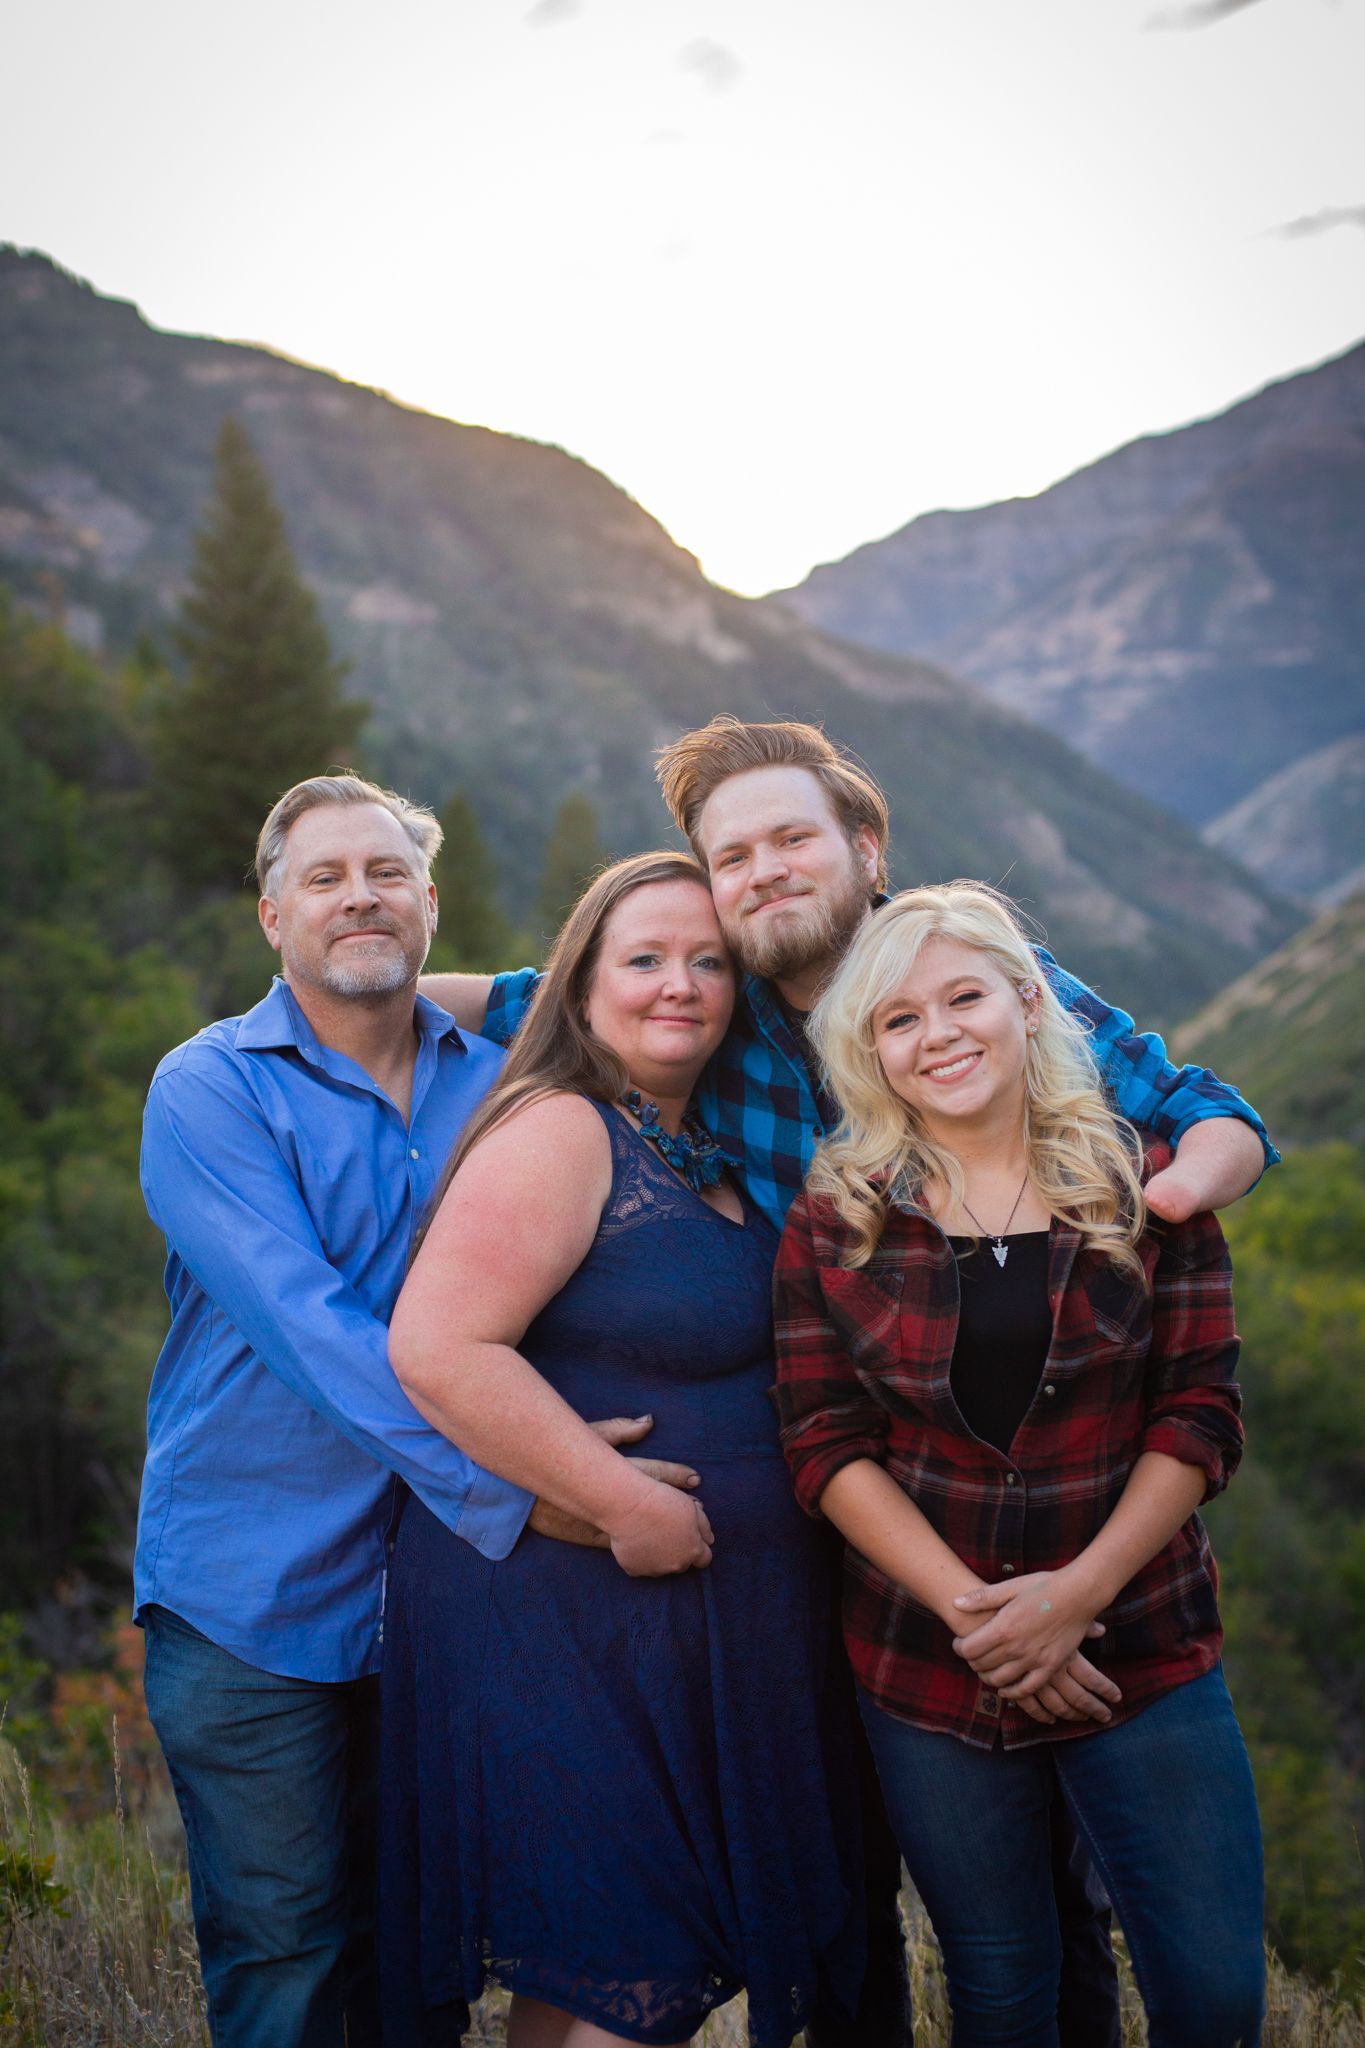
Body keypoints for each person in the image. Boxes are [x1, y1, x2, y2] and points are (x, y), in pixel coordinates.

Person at [421, 714, 1277, 2048]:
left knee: (1080, 1924)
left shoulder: (988, 981)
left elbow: (1200, 1106)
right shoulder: (710, 1002)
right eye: (730, 854)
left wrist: (1167, 1199)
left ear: (863, 848)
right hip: (852, 1568)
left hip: (1077, 1572)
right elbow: (536, 987)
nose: (759, 874)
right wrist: (345, 978)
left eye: (789, 840)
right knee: (870, 1908)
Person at [135, 775, 692, 2048]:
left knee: (427, 1958)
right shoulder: (209, 1089)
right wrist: (535, 1483)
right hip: (250, 1599)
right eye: (324, 877)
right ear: (273, 916)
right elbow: (317, 1335)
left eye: (386, 872)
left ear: (430, 905)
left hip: (452, 1599)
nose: (359, 897)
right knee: (288, 1953)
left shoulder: (509, 1084)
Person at [381, 851, 865, 2048]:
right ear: (579, 983)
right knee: (617, 1973)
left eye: (709, 961)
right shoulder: (560, 1128)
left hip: (691, 1645)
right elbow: (439, 1344)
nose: (680, 984)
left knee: (620, 1964)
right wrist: (620, 1498)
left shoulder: (711, 1147)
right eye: (644, 957)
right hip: (569, 1627)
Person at [772, 882, 1264, 2048]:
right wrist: (982, 1618)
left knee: (1212, 1994)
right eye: (899, 1018)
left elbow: (1199, 1414)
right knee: (1002, 1989)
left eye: (963, 997)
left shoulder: (1146, 1187)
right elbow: (823, 1438)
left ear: (1028, 1002)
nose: (937, 1032)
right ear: (869, 1049)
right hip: (928, 1661)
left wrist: (1073, 1600)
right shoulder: (835, 1217)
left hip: (1140, 1641)